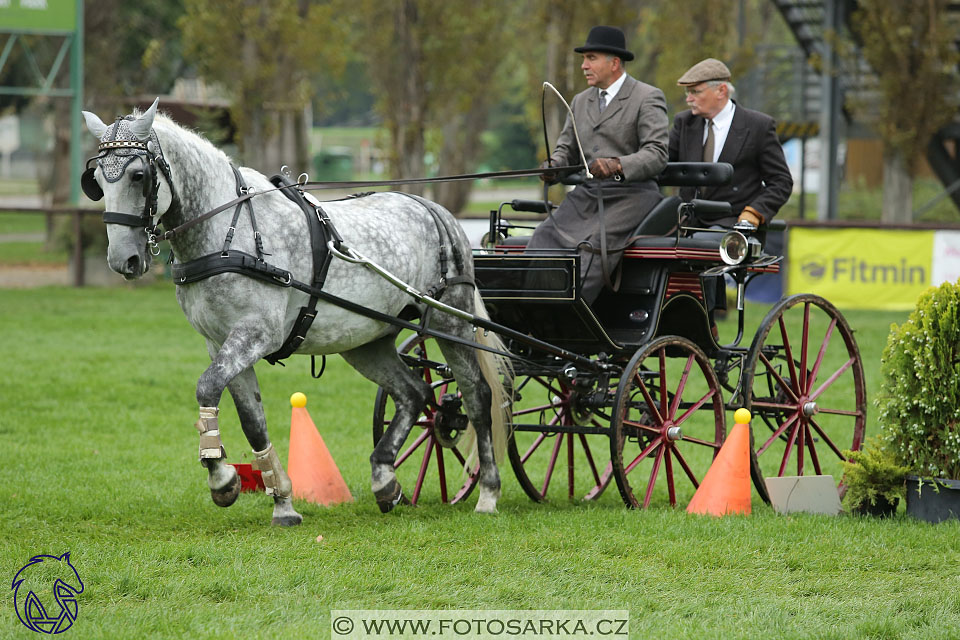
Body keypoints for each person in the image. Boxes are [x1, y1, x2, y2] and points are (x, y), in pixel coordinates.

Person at [528, 25, 669, 304]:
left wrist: (617, 164)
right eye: (584, 59)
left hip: (634, 195)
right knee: (543, 236)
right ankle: (529, 307)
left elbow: (657, 153)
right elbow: (566, 150)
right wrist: (554, 166)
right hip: (589, 193)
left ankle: (569, 311)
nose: (584, 66)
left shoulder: (646, 97)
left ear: (614, 63)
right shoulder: (580, 101)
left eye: (590, 58)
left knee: (593, 244)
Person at [668, 58, 793, 229]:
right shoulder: (684, 122)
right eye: (687, 93)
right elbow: (660, 165)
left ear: (721, 90)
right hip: (686, 225)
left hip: (734, 228)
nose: (689, 99)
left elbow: (781, 181)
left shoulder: (758, 126)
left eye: (695, 92)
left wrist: (754, 212)